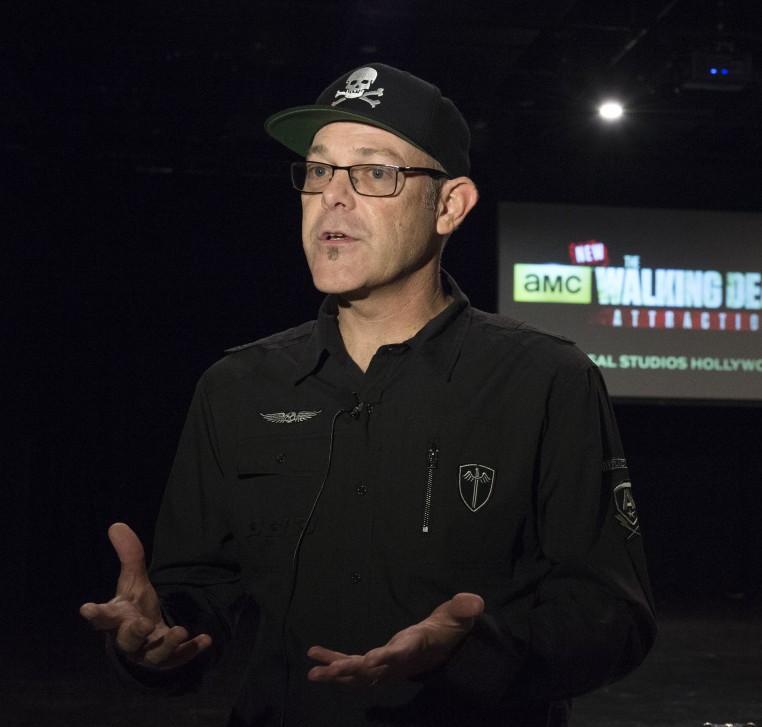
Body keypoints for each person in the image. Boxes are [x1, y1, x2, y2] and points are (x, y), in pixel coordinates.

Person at [79, 62, 656, 726]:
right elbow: (192, 601)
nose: (333, 197)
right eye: (319, 171)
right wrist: (156, 642)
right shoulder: (236, 386)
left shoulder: (547, 379)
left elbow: (612, 617)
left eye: (375, 173)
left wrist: (473, 649)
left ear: (450, 204)